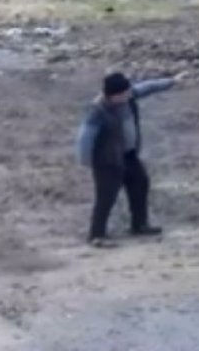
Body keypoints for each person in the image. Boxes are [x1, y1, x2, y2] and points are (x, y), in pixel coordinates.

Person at [76, 72, 178, 247]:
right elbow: (85, 137)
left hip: (128, 155)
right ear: (112, 95)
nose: (128, 95)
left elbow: (148, 87)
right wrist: (86, 160)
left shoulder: (128, 96)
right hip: (107, 161)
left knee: (140, 184)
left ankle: (139, 224)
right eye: (123, 94)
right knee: (106, 197)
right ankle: (96, 234)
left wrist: (171, 82)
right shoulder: (97, 112)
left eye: (128, 92)